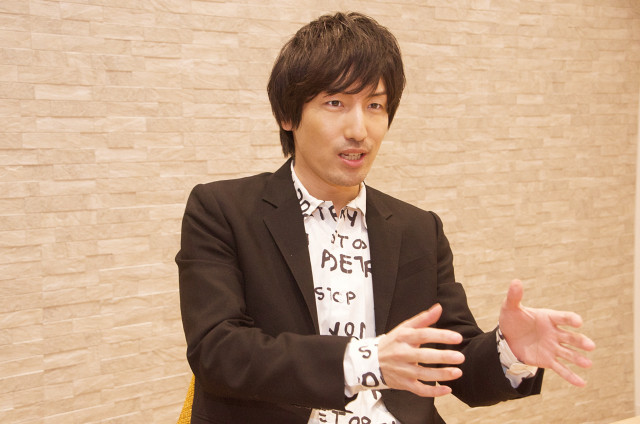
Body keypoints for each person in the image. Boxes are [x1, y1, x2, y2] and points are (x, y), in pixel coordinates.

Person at [176, 11, 595, 424]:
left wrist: (509, 350)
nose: (359, 130)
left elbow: (454, 361)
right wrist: (366, 361)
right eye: (335, 103)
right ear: (288, 116)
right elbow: (218, 351)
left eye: (375, 105)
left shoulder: (417, 229)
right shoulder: (223, 210)